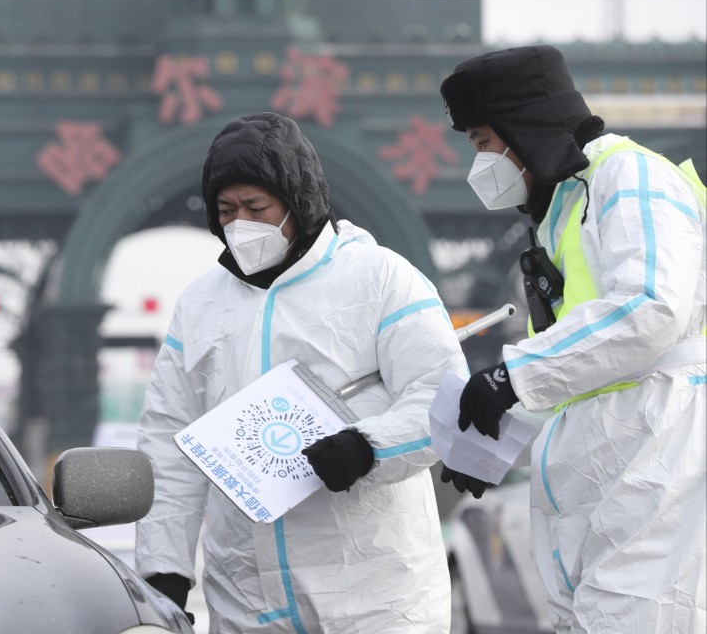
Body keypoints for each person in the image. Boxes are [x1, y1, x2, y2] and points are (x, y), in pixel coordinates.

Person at [134, 112, 468, 633]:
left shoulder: (379, 279)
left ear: (298, 201)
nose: (239, 222)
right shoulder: (200, 304)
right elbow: (168, 439)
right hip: (246, 592)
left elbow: (443, 397)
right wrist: (164, 568)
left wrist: (368, 448)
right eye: (225, 209)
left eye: (256, 207)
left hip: (374, 592)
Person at [438, 45, 706, 633]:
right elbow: (581, 367)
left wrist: (512, 376)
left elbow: (650, 306)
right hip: (603, 473)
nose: (479, 161)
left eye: (483, 142)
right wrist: (490, 444)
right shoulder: (563, 211)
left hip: (657, 455)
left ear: (524, 128)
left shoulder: (630, 174)